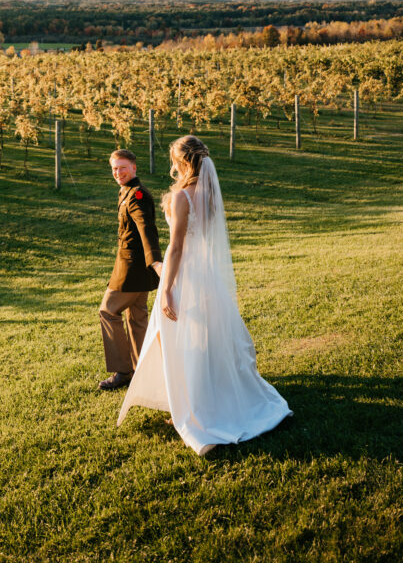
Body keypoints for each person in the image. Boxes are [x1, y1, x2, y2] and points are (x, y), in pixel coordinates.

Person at [117, 135, 291, 454]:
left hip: (185, 276)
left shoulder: (184, 196)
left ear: (183, 162)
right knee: (202, 341)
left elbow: (177, 247)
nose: (171, 166)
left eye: (173, 160)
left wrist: (167, 288)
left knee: (180, 343)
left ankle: (192, 410)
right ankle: (193, 400)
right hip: (207, 276)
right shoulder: (209, 192)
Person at [98, 149, 163, 391]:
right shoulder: (127, 191)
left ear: (134, 167)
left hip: (132, 269)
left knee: (108, 311)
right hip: (135, 268)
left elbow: (147, 229)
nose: (118, 173)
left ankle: (124, 371)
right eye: (114, 168)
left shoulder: (137, 195)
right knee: (136, 317)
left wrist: (155, 261)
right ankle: (144, 369)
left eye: (122, 167)